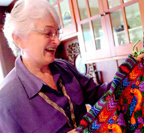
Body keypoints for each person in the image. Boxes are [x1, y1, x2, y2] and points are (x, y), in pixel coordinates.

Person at [0, 0, 112, 132]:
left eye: (57, 32)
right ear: (19, 39)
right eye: (48, 33)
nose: (57, 41)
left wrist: (131, 69)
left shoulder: (65, 68)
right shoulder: (6, 100)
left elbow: (101, 95)